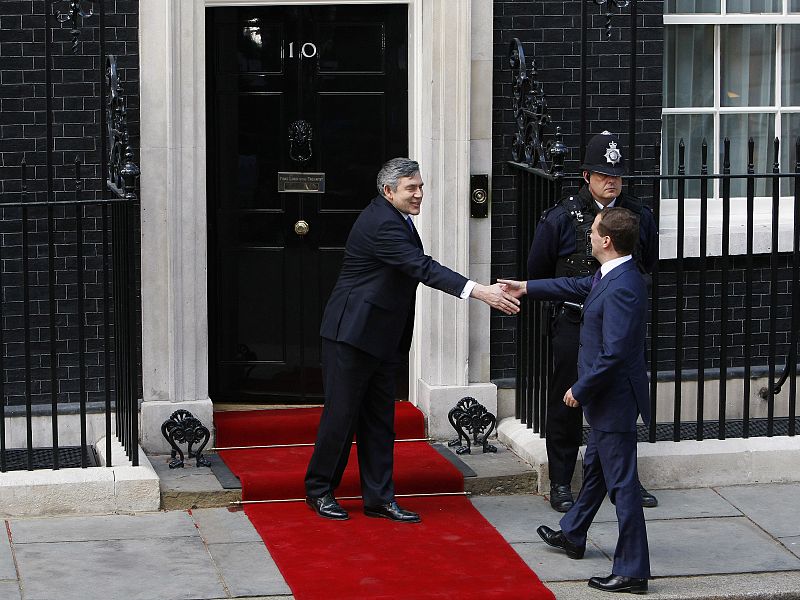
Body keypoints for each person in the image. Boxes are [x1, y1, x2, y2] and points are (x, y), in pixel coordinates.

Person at [304, 157, 520, 523]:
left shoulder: (397, 219)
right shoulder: (381, 224)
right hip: (351, 336)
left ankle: (378, 498)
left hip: (383, 338)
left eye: (420, 186)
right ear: (389, 191)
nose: (420, 194)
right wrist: (479, 292)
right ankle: (319, 490)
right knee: (341, 418)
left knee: (379, 420)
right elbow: (422, 267)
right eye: (412, 188)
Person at [499, 206, 651, 594]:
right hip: (607, 402)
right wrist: (527, 287)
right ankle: (574, 533)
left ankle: (632, 570)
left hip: (612, 401)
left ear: (606, 241)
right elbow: (575, 286)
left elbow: (614, 352)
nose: (588, 234)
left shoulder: (623, 286)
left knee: (623, 487)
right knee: (598, 469)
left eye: (594, 230)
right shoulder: (610, 274)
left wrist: (580, 388)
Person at [527, 131, 658, 513]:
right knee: (567, 400)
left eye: (615, 174)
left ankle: (625, 478)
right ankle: (562, 482)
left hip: (617, 323)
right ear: (586, 175)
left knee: (620, 400)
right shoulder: (561, 216)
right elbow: (539, 269)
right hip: (574, 322)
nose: (611, 180)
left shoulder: (636, 214)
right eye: (603, 174)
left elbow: (644, 263)